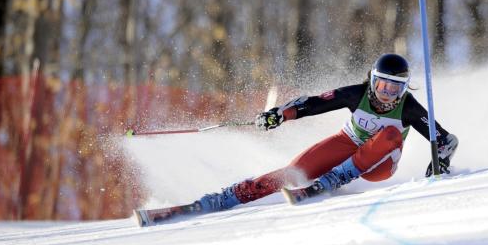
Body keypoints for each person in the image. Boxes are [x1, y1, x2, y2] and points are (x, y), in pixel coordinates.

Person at [196, 53, 459, 212]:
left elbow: (447, 140)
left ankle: (334, 179)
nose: (387, 94)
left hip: (380, 164)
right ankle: (231, 196)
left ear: (404, 89)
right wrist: (279, 114)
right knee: (294, 173)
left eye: (395, 89)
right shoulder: (354, 94)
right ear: (372, 80)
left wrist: (441, 162)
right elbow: (312, 104)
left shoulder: (409, 108)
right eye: (382, 86)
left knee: (390, 134)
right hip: (348, 143)